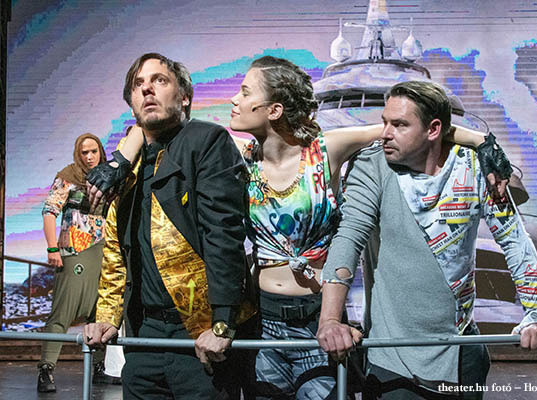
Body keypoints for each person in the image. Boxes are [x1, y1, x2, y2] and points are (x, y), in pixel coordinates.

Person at [87, 56, 513, 399]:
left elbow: (409, 129)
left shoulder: (327, 148)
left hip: (318, 317)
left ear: (274, 109)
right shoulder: (234, 151)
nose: (234, 99)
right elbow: (153, 128)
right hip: (263, 318)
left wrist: (483, 142)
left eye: (245, 92)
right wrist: (120, 160)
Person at [316, 80, 537, 399]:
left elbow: (515, 241)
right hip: (392, 359)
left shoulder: (475, 166)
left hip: (463, 352)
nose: (384, 133)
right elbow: (348, 238)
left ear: (434, 130)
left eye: (399, 125)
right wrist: (330, 320)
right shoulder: (371, 165)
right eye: (385, 122)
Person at [83, 52, 256, 399]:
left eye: (159, 80)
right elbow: (116, 248)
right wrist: (107, 318)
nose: (147, 89)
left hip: (201, 333)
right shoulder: (126, 166)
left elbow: (223, 235)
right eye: (138, 85)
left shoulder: (206, 141)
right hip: (144, 335)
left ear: (184, 96)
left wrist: (222, 323)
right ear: (132, 103)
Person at [38, 133, 108, 392]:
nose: (89, 157)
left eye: (93, 151)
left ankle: (98, 367)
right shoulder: (68, 176)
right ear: (78, 154)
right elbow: (49, 211)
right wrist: (52, 248)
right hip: (74, 249)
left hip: (104, 250)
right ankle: (46, 369)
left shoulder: (108, 176)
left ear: (100, 152)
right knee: (63, 311)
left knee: (100, 311)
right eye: (84, 152)